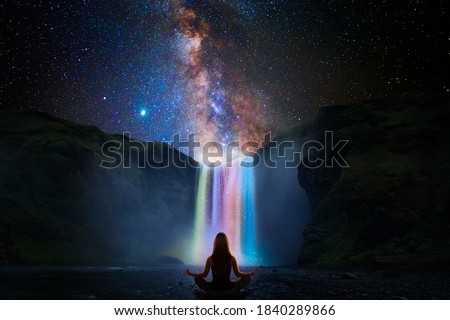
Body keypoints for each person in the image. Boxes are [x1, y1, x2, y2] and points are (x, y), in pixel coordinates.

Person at [185, 232, 257, 293]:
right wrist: (250, 273)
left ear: (215, 243)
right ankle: (233, 292)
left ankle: (211, 293)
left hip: (213, 288)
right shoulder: (232, 258)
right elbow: (238, 274)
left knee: (197, 278)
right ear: (226, 243)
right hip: (228, 287)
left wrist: (191, 274)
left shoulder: (210, 259)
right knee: (247, 278)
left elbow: (204, 275)